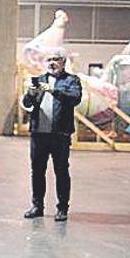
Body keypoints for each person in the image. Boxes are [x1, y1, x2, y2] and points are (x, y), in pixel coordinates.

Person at [21, 49, 82, 222]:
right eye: (49, 59)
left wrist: (53, 90)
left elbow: (75, 98)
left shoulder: (71, 81)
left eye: (56, 59)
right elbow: (27, 103)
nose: (52, 63)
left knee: (61, 171)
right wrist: (31, 93)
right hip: (39, 134)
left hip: (60, 135)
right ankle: (37, 206)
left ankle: (62, 208)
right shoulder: (39, 80)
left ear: (63, 62)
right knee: (37, 171)